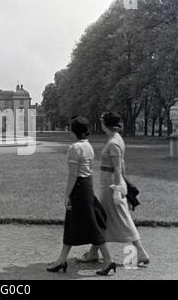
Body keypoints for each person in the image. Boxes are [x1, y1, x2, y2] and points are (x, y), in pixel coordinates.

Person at [77, 112, 150, 266]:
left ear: (105, 124)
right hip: (110, 183)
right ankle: (93, 252)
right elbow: (121, 167)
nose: (100, 122)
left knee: (110, 218)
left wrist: (117, 189)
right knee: (105, 218)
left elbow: (118, 168)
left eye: (102, 121)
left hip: (111, 185)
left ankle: (141, 252)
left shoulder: (113, 143)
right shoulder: (115, 140)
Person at [47, 116, 116, 276]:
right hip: (87, 186)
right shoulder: (88, 146)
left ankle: (108, 260)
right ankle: (61, 260)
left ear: (73, 131)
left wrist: (67, 195)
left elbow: (73, 175)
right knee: (73, 224)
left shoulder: (74, 148)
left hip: (78, 188)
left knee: (91, 226)